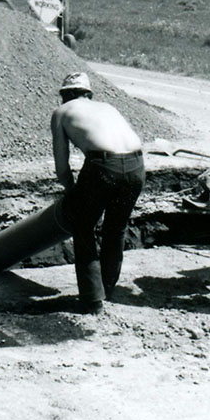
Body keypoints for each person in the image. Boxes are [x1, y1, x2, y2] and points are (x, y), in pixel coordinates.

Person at [51, 72, 146, 314]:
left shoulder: (61, 113)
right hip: (136, 166)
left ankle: (92, 300)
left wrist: (73, 194)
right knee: (116, 229)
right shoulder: (107, 107)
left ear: (65, 95)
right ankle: (108, 289)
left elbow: (62, 167)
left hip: (104, 167)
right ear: (89, 94)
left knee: (82, 225)